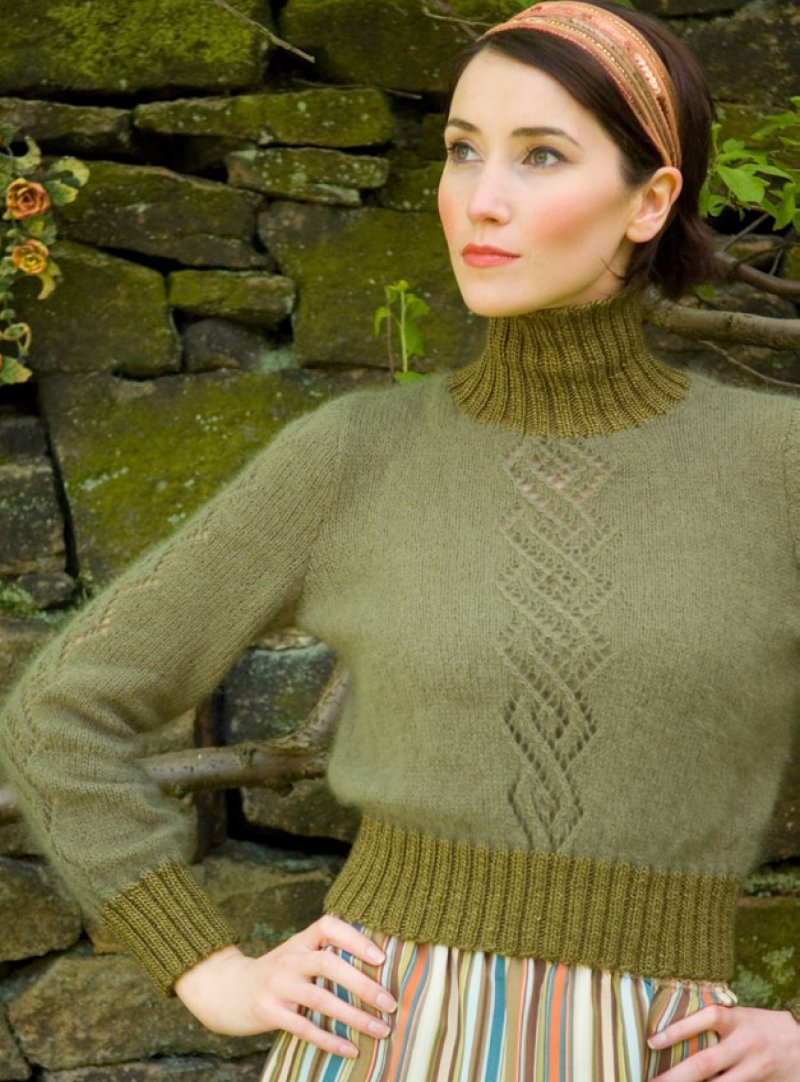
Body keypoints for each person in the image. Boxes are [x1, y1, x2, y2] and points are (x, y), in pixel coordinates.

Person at [1, 1, 798, 1079]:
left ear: (649, 200)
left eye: (541, 155)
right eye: (463, 150)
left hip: (655, 1049)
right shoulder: (353, 455)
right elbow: (62, 712)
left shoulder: (773, 463)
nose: (481, 198)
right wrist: (206, 966)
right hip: (384, 1038)